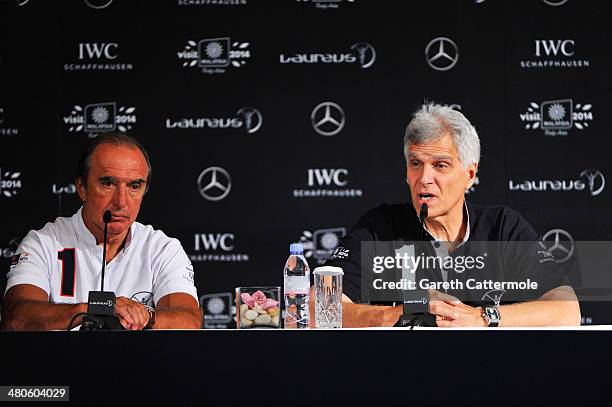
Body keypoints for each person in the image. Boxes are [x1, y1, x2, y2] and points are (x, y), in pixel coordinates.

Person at [324, 103, 580, 327]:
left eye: (440, 165)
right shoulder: (379, 228)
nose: (424, 179)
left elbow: (567, 310)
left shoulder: (503, 227)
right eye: (415, 164)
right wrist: (398, 315)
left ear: (469, 175)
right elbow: (319, 307)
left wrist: (481, 317)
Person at [1, 133, 201, 330]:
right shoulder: (43, 243)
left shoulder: (163, 249)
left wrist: (146, 315)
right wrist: (97, 309)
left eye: (134, 186)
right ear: (82, 188)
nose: (121, 201)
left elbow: (189, 321)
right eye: (108, 183)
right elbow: (16, 318)